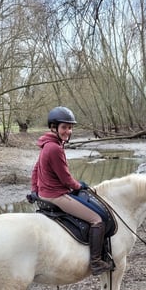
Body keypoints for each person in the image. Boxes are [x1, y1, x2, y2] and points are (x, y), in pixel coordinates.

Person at [30, 106, 113, 275]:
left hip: (46, 193)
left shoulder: (47, 144)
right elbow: (65, 178)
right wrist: (79, 186)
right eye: (64, 127)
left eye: (70, 127)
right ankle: (96, 262)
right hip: (56, 195)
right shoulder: (54, 148)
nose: (68, 131)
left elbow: (35, 170)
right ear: (54, 127)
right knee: (97, 219)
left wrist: (35, 190)